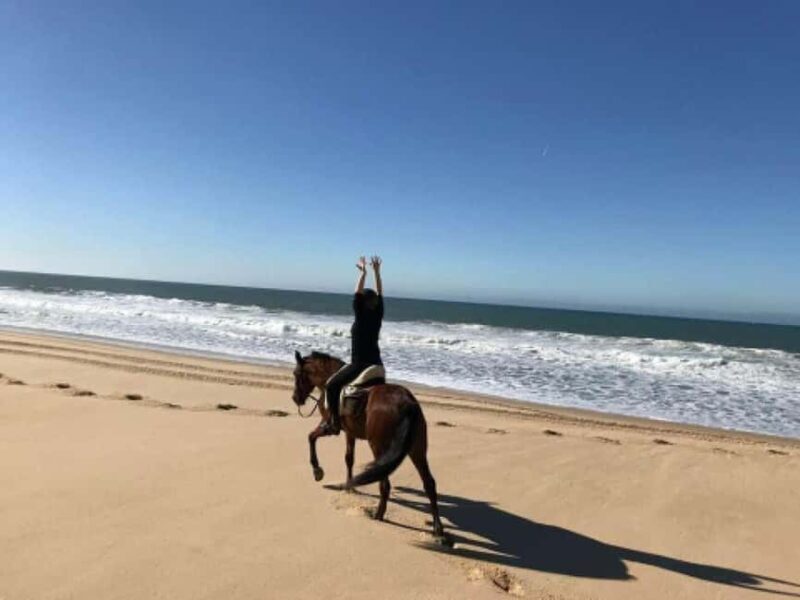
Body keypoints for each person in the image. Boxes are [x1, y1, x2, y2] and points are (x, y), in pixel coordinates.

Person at [325, 255, 384, 435]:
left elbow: (357, 292)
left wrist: (364, 273)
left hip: (359, 365)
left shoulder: (360, 315)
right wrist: (376, 272)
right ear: (374, 303)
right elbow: (380, 293)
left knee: (331, 386)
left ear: (361, 303)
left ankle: (334, 422)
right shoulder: (378, 315)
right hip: (378, 366)